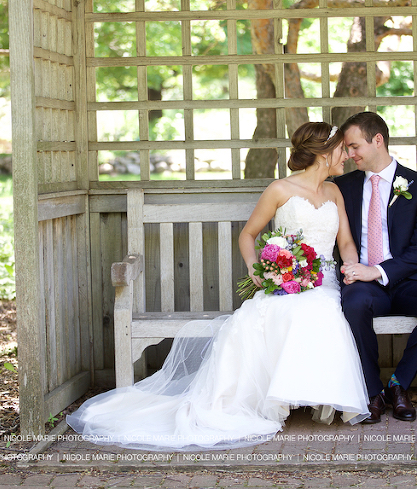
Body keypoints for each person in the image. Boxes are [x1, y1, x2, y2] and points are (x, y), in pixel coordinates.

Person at [66, 122, 369, 451]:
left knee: (318, 309)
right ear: (324, 153)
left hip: (324, 280)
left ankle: (306, 393)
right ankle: (274, 398)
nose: (347, 156)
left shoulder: (334, 192)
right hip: (286, 279)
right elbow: (248, 235)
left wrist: (351, 266)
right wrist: (258, 269)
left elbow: (347, 241)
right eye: (342, 149)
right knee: (282, 310)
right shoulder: (280, 190)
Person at [332, 111, 417, 424]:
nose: (349, 154)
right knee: (354, 303)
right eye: (346, 148)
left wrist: (380, 270)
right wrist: (355, 269)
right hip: (362, 282)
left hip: (408, 279)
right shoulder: (341, 187)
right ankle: (372, 392)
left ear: (378, 140)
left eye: (354, 146)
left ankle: (399, 384)